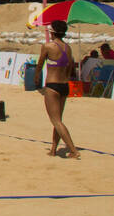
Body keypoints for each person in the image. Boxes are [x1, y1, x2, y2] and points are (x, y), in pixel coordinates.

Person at [34, 20, 80, 159]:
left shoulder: (48, 46)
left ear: (52, 32)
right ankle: (53, 149)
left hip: (52, 86)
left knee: (55, 120)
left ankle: (73, 150)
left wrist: (36, 78)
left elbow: (40, 64)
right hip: (64, 85)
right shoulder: (68, 48)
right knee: (58, 119)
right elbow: (71, 68)